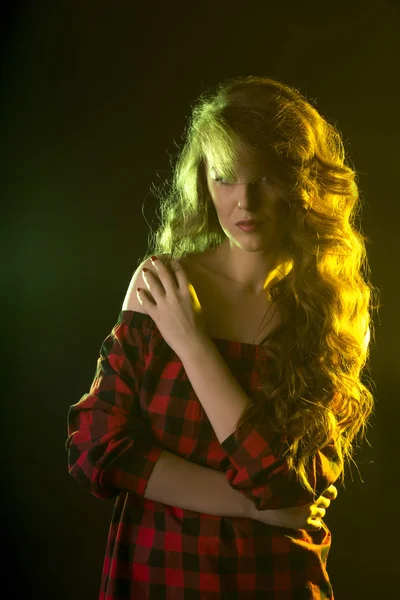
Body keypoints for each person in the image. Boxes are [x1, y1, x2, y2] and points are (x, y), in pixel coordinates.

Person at [66, 75, 378, 599]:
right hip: (159, 578)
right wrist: (245, 502)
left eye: (267, 178)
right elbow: (94, 447)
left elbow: (283, 482)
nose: (245, 201)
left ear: (305, 182)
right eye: (227, 178)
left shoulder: (336, 312)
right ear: (203, 179)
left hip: (276, 581)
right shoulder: (162, 285)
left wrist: (193, 344)